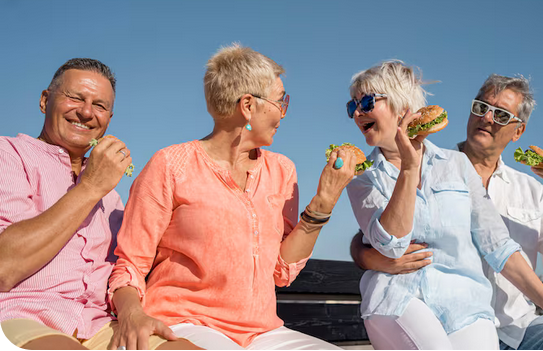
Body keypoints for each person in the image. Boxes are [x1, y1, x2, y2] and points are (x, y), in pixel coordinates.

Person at [106, 44, 356, 350]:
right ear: (248, 106)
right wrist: (132, 314)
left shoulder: (282, 171)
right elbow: (131, 264)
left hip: (262, 332)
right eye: (280, 101)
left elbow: (281, 272)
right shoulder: (170, 165)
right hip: (185, 323)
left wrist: (324, 201)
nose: (283, 112)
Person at [344, 61, 543, 350]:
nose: (487, 118)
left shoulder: (496, 178)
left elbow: (506, 248)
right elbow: (383, 239)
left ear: (518, 131)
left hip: (492, 316)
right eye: (480, 107)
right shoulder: (371, 175)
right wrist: (364, 251)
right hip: (410, 302)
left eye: (500, 114)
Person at [0, 58, 140, 350]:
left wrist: (132, 313)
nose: (86, 112)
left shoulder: (112, 197)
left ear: (109, 119)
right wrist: (90, 187)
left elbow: (121, 271)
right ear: (45, 100)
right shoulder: (8, 154)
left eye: (99, 106)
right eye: (75, 98)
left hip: (101, 325)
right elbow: (5, 268)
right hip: (21, 315)